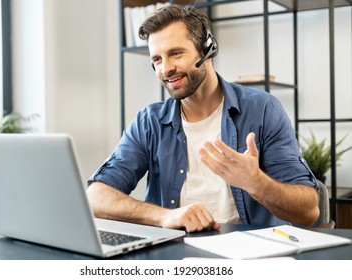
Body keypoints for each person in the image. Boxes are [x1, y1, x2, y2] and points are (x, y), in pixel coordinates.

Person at [87, 5, 319, 232]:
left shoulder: (262, 109)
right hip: (176, 256)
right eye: (157, 59)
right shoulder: (149, 122)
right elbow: (95, 197)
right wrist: (164, 217)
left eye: (176, 53)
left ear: (207, 49)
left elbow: (309, 212)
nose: (166, 68)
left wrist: (255, 182)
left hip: (249, 257)